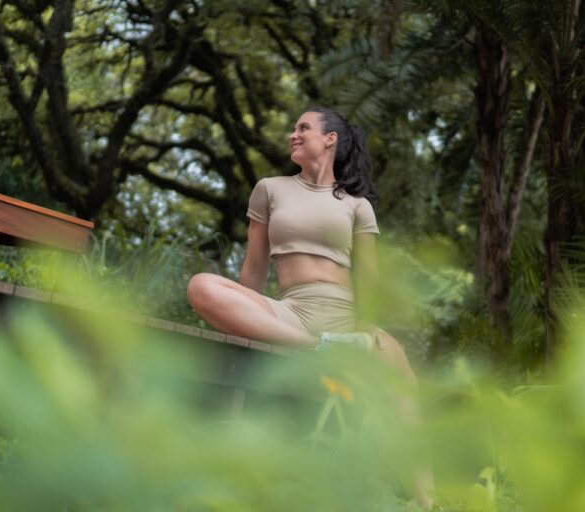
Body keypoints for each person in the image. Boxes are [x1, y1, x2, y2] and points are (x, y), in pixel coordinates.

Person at [186, 107, 435, 509]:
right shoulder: (270, 189)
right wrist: (240, 321)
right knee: (201, 286)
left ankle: (429, 502)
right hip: (292, 315)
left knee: (404, 381)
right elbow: (253, 267)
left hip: (348, 321)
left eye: (303, 127)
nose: (293, 134)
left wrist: (367, 330)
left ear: (330, 139)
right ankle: (317, 348)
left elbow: (369, 279)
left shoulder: (357, 206)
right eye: (293, 128)